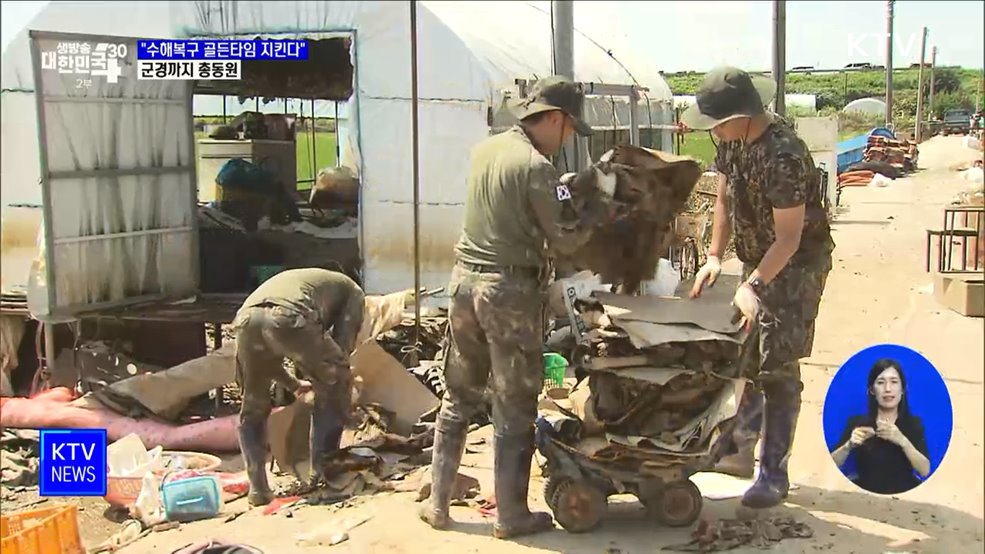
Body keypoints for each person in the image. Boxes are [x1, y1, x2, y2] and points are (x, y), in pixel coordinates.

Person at [419, 75, 596, 539]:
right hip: (507, 293)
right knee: (515, 404)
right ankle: (511, 515)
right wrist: (595, 215)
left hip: (464, 285)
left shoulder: (486, 150)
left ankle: (437, 504)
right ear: (555, 119)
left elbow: (512, 208)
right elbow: (566, 241)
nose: (568, 140)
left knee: (459, 395)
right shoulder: (537, 167)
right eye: (570, 129)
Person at [684, 66, 835, 509]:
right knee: (746, 355)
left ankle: (774, 472)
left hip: (797, 266)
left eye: (718, 123)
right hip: (759, 261)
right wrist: (715, 256)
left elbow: (788, 239)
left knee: (778, 366)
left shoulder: (782, 155)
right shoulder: (732, 144)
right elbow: (724, 199)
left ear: (742, 116)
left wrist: (752, 283)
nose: (713, 132)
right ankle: (737, 451)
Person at [231, 268, 365, 506]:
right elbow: (342, 351)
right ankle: (323, 476)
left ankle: (258, 489)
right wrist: (346, 410)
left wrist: (294, 384)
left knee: (253, 406)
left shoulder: (315, 283)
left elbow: (268, 357)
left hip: (247, 318)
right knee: (335, 380)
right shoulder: (354, 293)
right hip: (288, 315)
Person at [830, 359, 930, 494]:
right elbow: (832, 463)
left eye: (894, 382)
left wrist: (903, 441)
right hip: (865, 493)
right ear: (872, 390)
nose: (888, 389)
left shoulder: (912, 424)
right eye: (881, 382)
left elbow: (925, 470)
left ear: (902, 390)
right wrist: (848, 445)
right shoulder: (858, 423)